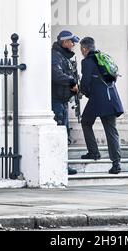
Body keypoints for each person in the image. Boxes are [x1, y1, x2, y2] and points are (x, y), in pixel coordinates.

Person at [79, 37, 124, 174]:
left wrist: (84, 92)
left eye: (81, 49)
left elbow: (85, 82)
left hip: (97, 99)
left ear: (85, 49)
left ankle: (94, 152)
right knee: (111, 130)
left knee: (86, 122)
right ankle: (116, 163)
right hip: (111, 98)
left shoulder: (87, 61)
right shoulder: (103, 57)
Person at [51, 30, 80, 176]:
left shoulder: (63, 56)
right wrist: (72, 82)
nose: (73, 45)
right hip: (56, 101)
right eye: (71, 42)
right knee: (60, 133)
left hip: (63, 101)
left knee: (64, 133)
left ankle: (62, 165)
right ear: (64, 42)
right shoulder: (56, 56)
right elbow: (56, 75)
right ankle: (59, 166)